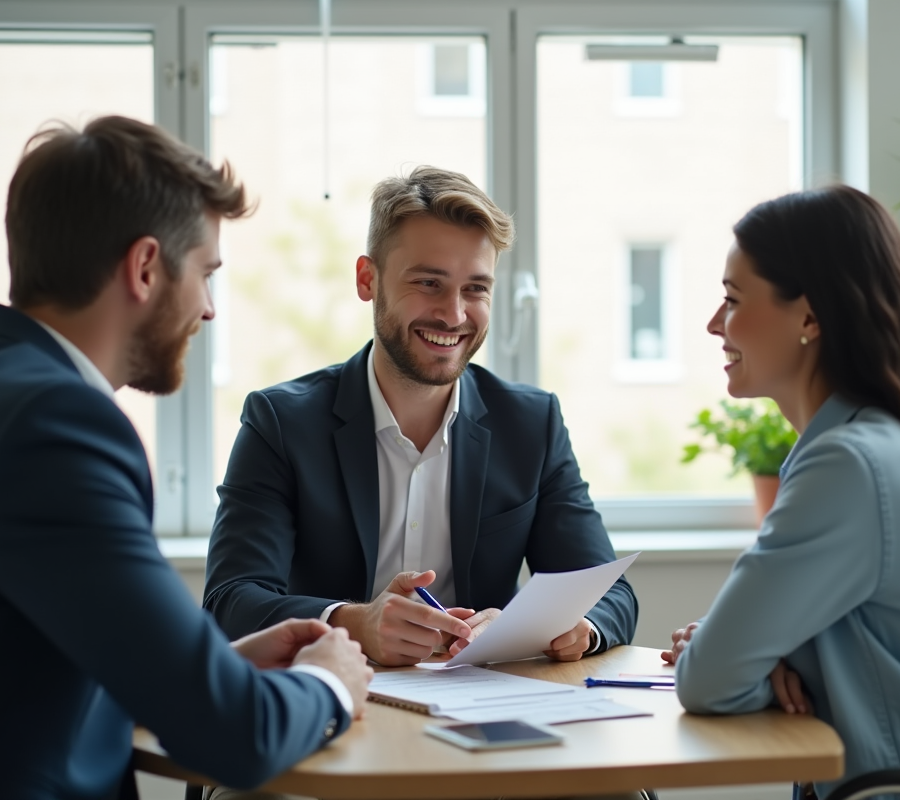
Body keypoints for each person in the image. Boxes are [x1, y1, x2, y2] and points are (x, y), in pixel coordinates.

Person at [0, 116, 373, 800]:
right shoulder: (55, 427)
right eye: (206, 273)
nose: (208, 309)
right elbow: (237, 738)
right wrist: (330, 680)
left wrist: (219, 667)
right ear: (146, 266)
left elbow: (6, 669)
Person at [663, 185, 900, 795]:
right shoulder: (879, 444)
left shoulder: (849, 466)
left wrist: (744, 661)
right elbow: (735, 655)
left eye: (733, 299)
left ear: (809, 316)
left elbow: (709, 679)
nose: (714, 324)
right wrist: (756, 657)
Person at [204, 166, 637, 668]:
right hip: (331, 703)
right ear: (368, 280)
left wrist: (550, 627)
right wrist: (352, 621)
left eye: (475, 288)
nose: (453, 315)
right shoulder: (281, 423)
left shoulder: (531, 423)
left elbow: (611, 595)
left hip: (483, 708)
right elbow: (230, 602)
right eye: (429, 283)